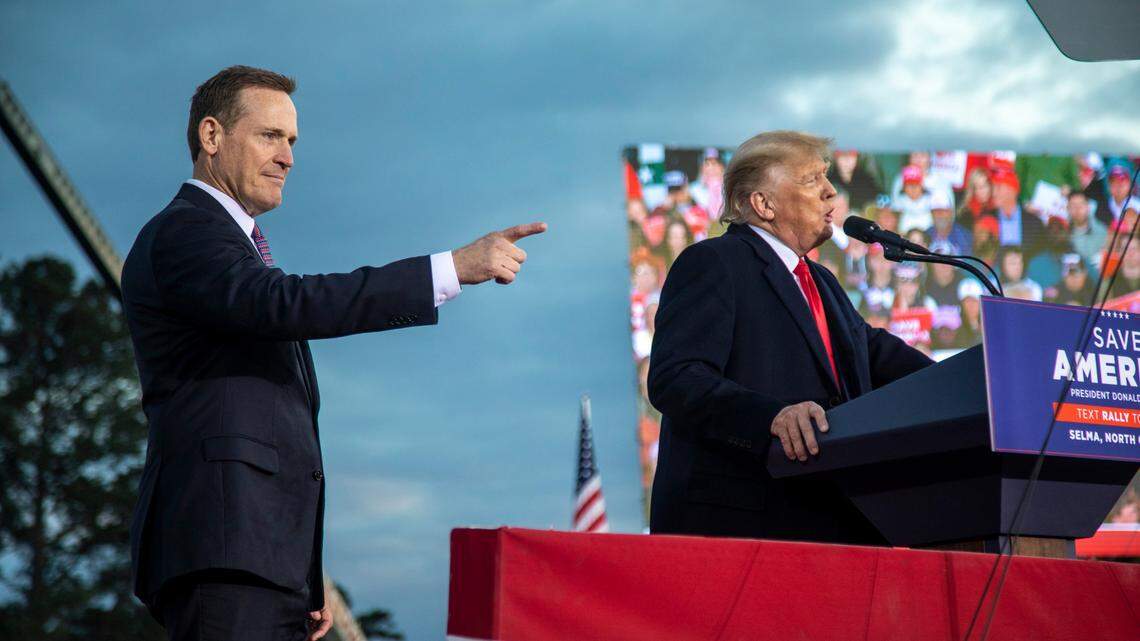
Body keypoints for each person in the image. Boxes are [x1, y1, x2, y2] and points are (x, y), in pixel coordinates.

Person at [119, 66, 546, 641]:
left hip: (261, 558)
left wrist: (298, 565)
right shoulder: (185, 231)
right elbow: (280, 304)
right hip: (223, 556)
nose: (288, 157)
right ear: (212, 136)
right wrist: (449, 270)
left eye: (292, 141)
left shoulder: (232, 244)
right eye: (270, 136)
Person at [648, 131, 932, 543]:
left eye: (827, 178)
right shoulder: (713, 262)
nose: (831, 191)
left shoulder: (821, 281)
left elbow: (873, 353)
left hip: (834, 526)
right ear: (763, 204)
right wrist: (771, 418)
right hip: (742, 529)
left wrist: (977, 380)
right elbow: (676, 378)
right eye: (811, 179)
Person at [1066, 191, 1107, 279]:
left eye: (1081, 204)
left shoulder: (1102, 229)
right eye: (1073, 205)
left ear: (1088, 207)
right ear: (1068, 209)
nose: (1078, 209)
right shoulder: (1065, 236)